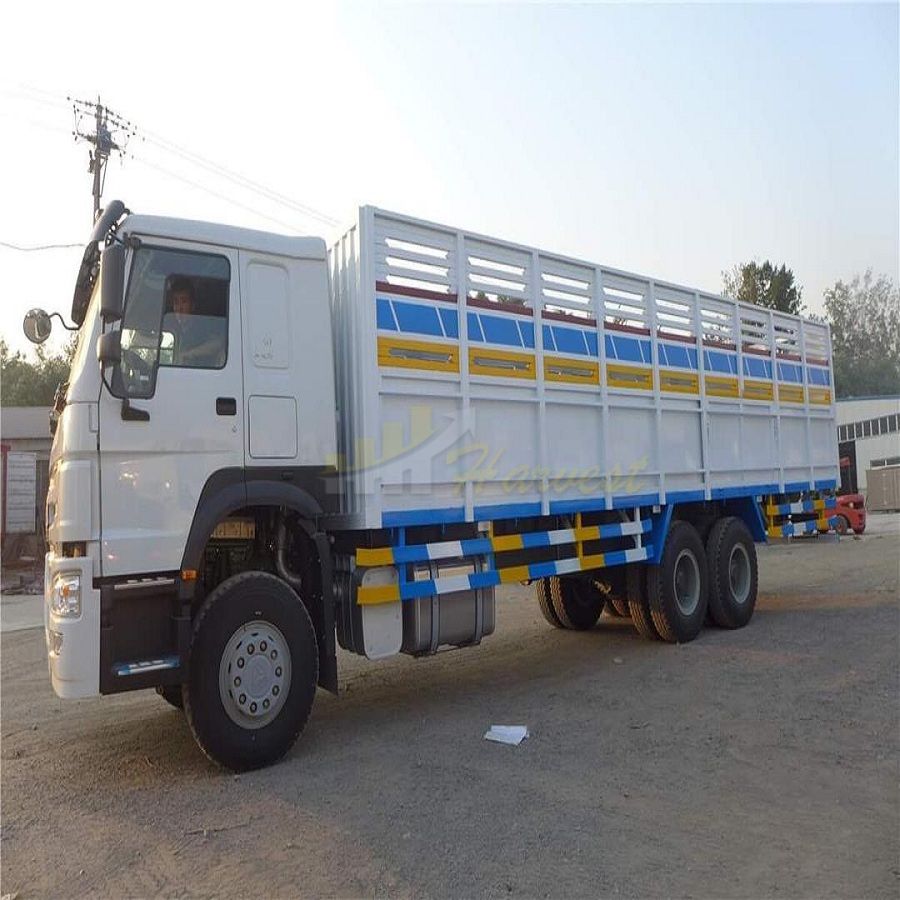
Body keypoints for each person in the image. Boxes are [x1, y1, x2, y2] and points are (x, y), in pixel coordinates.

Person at [165, 276, 225, 367]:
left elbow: (217, 344)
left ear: (192, 305)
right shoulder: (182, 333)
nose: (179, 308)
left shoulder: (201, 327)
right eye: (176, 302)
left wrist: (189, 354)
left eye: (184, 301)